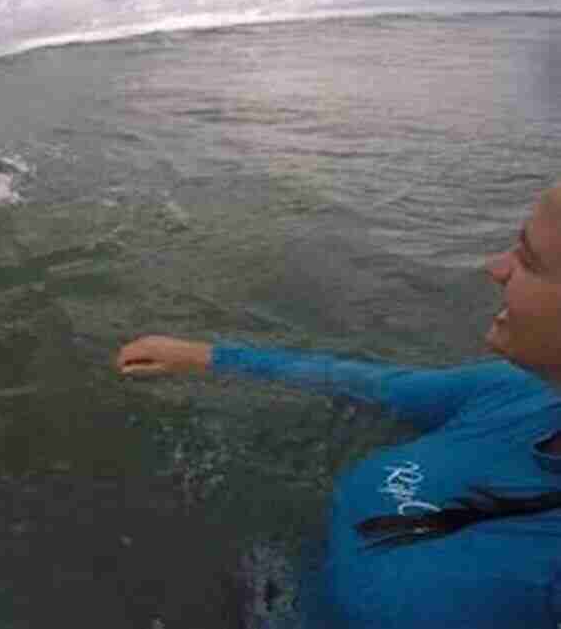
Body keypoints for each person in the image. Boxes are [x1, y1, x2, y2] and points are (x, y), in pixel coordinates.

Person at [115, 183, 561, 628]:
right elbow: (366, 384)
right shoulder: (517, 392)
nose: (496, 267)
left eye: (528, 259)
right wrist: (207, 358)